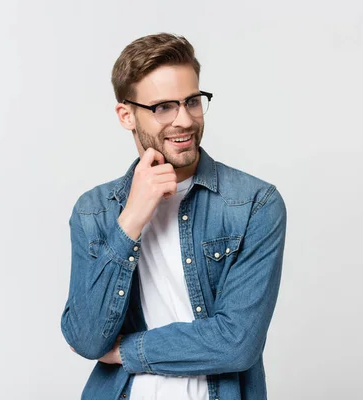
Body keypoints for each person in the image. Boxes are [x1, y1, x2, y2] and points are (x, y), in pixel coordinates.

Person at [60, 32, 287, 400]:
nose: (185, 120)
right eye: (163, 107)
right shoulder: (95, 211)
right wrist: (132, 218)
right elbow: (87, 338)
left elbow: (236, 342)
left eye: (192, 101)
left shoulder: (253, 204)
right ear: (126, 115)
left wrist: (123, 351)